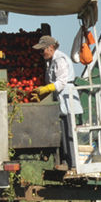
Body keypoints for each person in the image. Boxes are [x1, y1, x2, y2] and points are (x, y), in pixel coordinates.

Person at [32, 35, 78, 170]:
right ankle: (66, 162)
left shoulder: (60, 60)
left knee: (69, 132)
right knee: (62, 132)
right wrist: (44, 93)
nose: (41, 53)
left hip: (67, 97)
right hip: (60, 99)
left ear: (51, 48)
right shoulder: (51, 61)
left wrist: (46, 89)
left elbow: (61, 82)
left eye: (43, 50)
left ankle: (73, 164)